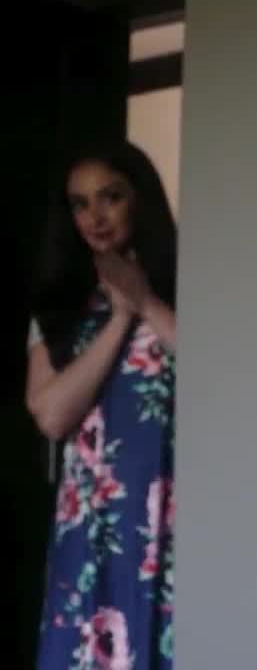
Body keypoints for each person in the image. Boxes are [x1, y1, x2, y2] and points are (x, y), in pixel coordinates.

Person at [27, 141, 178, 669]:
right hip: (90, 519)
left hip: (167, 508)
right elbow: (51, 415)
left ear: (138, 199)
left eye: (110, 197)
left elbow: (219, 374)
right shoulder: (59, 307)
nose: (96, 216)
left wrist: (145, 301)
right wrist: (119, 320)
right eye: (80, 203)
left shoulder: (184, 287)